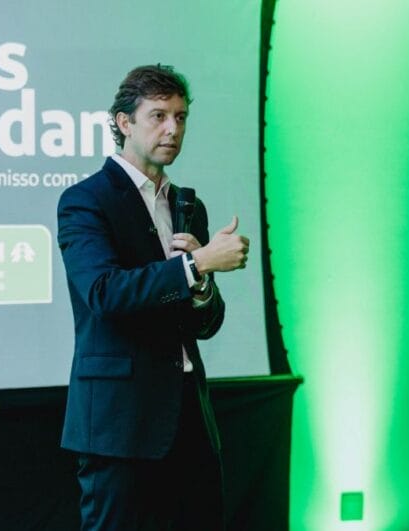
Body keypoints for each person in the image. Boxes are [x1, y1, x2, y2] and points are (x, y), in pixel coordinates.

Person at [56, 64, 250, 530]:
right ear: (124, 123)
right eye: (159, 116)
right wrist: (196, 265)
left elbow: (205, 325)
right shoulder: (86, 200)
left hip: (189, 416)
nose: (172, 129)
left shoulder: (188, 205)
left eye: (181, 117)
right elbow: (104, 294)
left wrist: (201, 285)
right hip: (120, 424)